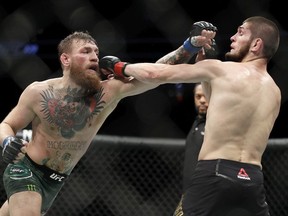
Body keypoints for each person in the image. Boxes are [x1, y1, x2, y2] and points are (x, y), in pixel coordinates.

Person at [0, 22, 217, 215]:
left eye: (96, 51)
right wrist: (7, 141)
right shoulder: (38, 92)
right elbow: (7, 124)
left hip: (56, 180)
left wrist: (189, 46)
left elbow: (156, 74)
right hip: (26, 169)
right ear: (65, 59)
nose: (94, 56)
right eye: (85, 51)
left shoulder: (108, 91)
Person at [102, 16, 281, 216]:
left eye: (240, 32)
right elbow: (221, 109)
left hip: (215, 171)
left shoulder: (222, 69)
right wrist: (204, 62)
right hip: (252, 180)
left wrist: (120, 66)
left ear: (256, 44)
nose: (232, 37)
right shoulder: (274, 91)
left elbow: (157, 74)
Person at [173, 83, 208, 216]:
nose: (202, 100)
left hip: (207, 194)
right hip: (189, 193)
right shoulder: (197, 122)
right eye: (198, 96)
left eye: (206, 96)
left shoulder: (216, 125)